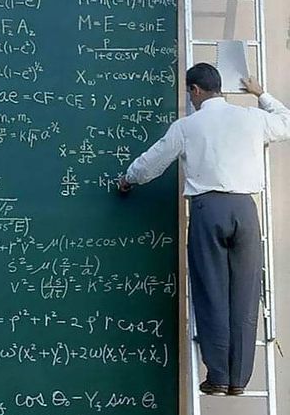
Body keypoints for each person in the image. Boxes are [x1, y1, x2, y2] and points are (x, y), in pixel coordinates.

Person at [118, 64, 290, 395]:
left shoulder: (188, 126)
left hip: (208, 209)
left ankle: (219, 375)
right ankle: (239, 379)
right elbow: (286, 122)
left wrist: (128, 179)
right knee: (244, 294)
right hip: (244, 209)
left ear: (195, 90)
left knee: (211, 292)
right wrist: (261, 93)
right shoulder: (251, 119)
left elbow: (153, 162)